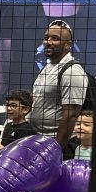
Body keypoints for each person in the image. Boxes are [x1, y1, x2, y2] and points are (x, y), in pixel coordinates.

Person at [30, 19, 88, 148]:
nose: (48, 42)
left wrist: (56, 149)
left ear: (68, 45)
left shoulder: (72, 72)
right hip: (41, 140)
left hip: (59, 144)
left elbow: (71, 116)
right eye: (46, 37)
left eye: (55, 38)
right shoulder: (49, 66)